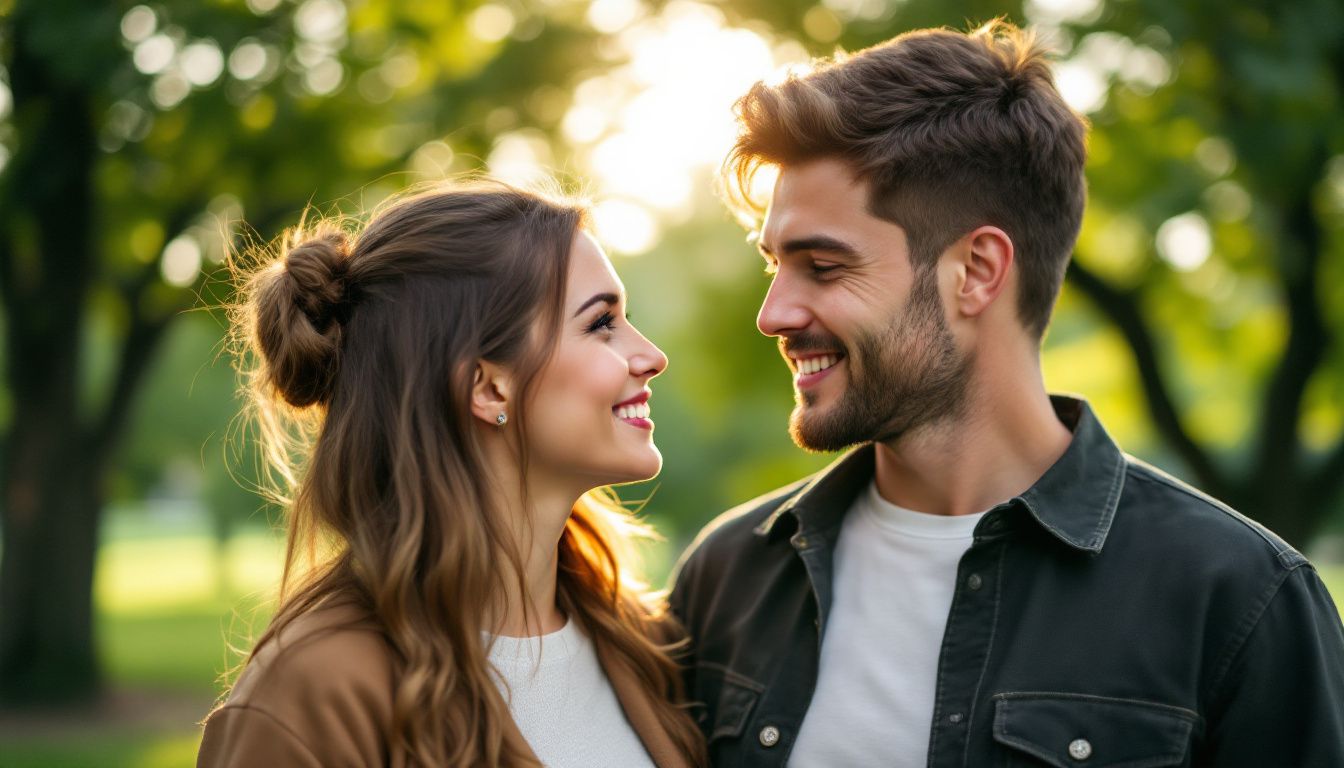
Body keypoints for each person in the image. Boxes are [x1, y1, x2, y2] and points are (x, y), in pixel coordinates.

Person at [669, 21, 1344, 768]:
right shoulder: (729, 576)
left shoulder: (1242, 598)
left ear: (978, 270)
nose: (775, 315)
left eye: (822, 267)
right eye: (775, 267)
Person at [198, 181, 706, 767]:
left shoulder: (646, 641)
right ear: (489, 387)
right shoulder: (309, 698)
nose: (651, 355)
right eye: (600, 324)